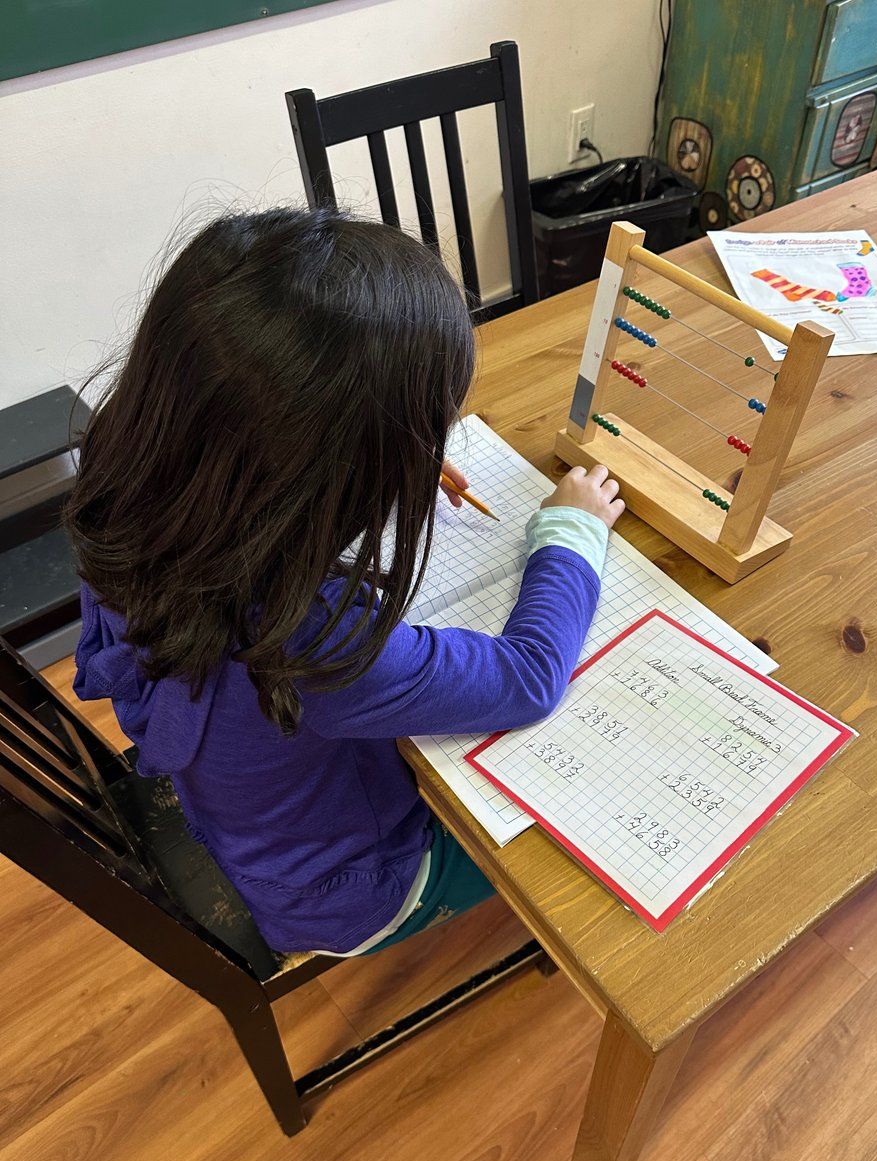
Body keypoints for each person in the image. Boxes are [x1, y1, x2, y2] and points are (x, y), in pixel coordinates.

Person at [69, 208, 623, 955]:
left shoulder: (126, 485)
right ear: (327, 467)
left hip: (236, 820)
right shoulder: (311, 638)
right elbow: (527, 676)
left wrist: (384, 465)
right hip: (343, 897)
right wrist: (573, 530)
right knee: (576, 832)